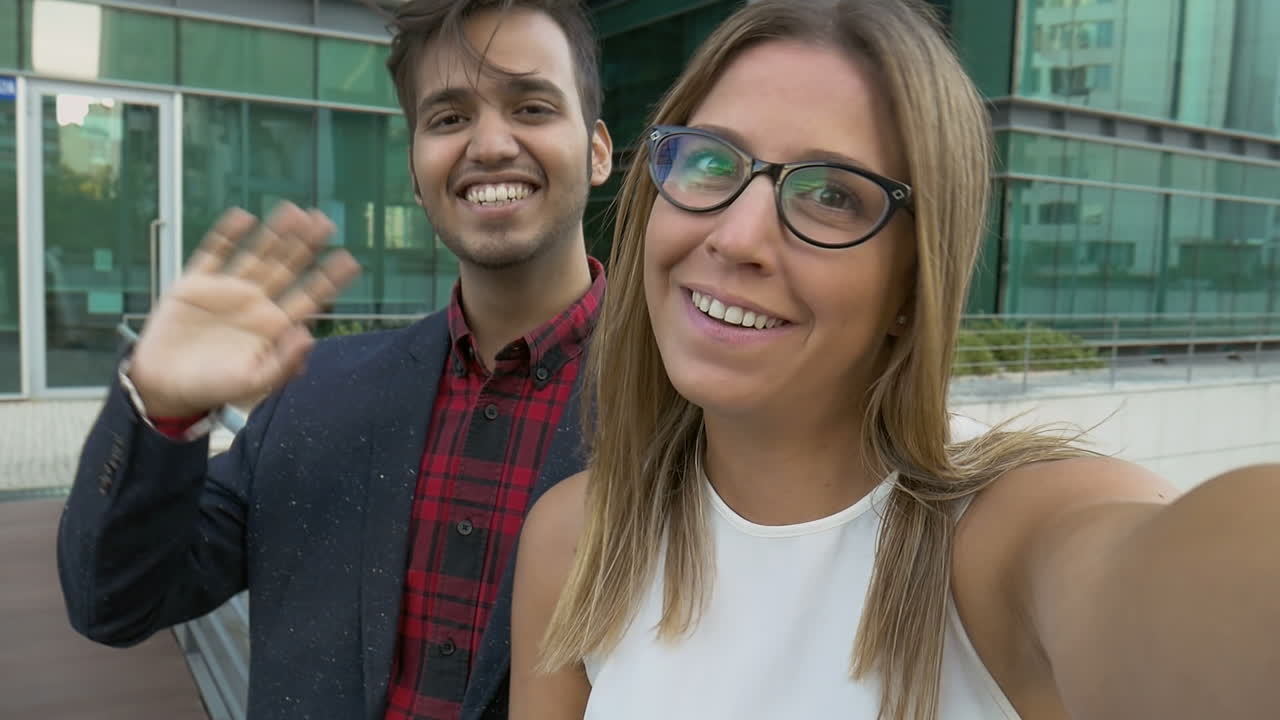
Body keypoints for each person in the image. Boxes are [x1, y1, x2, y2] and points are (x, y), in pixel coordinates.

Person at [509, 0, 1280, 718]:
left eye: (833, 195)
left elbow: (1179, 599)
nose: (737, 237)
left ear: (914, 284)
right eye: (712, 163)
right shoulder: (578, 537)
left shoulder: (997, 534)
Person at [57, 1, 612, 718]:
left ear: (598, 149)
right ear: (416, 170)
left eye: (532, 106)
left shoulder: (691, 405)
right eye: (448, 119)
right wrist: (160, 408)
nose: (491, 143)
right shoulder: (318, 392)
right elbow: (112, 602)